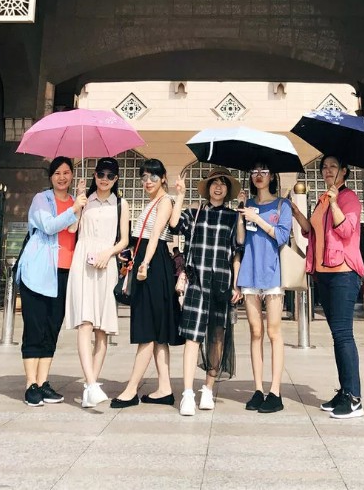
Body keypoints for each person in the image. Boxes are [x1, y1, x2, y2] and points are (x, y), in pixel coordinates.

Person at [290, 154, 364, 419]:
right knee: (337, 335)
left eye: (333, 166)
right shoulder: (324, 199)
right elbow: (312, 232)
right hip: (324, 274)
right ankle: (344, 391)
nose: (327, 170)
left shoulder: (348, 198)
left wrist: (334, 203)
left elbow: (346, 231)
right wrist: (297, 213)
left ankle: (354, 399)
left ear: (344, 171)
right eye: (324, 167)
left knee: (343, 335)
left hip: (343, 274)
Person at [170, 167, 242, 416]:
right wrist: (180, 194)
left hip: (221, 284)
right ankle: (188, 394)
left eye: (223, 183)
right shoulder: (195, 212)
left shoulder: (233, 217)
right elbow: (174, 225)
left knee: (217, 337)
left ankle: (208, 389)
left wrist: (236, 284)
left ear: (228, 189)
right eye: (214, 182)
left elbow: (237, 250)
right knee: (192, 338)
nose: (218, 187)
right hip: (197, 282)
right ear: (208, 187)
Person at [111, 159, 183, 408]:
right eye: (144, 177)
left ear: (163, 178)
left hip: (154, 266)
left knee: (147, 330)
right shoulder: (153, 202)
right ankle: (165, 388)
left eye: (153, 176)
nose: (148, 181)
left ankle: (131, 389)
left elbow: (156, 236)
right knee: (158, 334)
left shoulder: (164, 201)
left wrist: (145, 264)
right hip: (150, 264)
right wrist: (133, 256)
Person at [15, 156, 86, 407]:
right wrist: (74, 209)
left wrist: (79, 203)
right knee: (34, 327)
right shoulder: (41, 199)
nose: (62, 177)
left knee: (51, 329)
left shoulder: (75, 201)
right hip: (38, 272)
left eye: (66, 172)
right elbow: (48, 226)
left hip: (64, 274)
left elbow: (72, 230)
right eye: (57, 173)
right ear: (50, 176)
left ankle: (43, 382)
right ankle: (30, 384)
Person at [65, 156, 129, 408]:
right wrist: (77, 204)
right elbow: (72, 230)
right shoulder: (85, 200)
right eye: (101, 174)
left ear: (116, 179)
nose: (104, 180)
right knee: (85, 323)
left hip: (106, 263)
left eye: (110, 176)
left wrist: (108, 253)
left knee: (102, 330)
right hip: (83, 262)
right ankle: (92, 385)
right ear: (94, 175)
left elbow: (124, 240)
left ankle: (89, 388)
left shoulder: (121, 204)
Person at [236, 161, 292, 414]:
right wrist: (241, 212)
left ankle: (275, 391)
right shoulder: (247, 204)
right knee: (255, 332)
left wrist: (257, 218)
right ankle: (258, 389)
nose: (258, 175)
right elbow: (240, 239)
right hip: (250, 273)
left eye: (264, 171)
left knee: (273, 332)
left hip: (272, 275)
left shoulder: (282, 205)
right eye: (254, 171)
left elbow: (281, 236)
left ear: (272, 177)